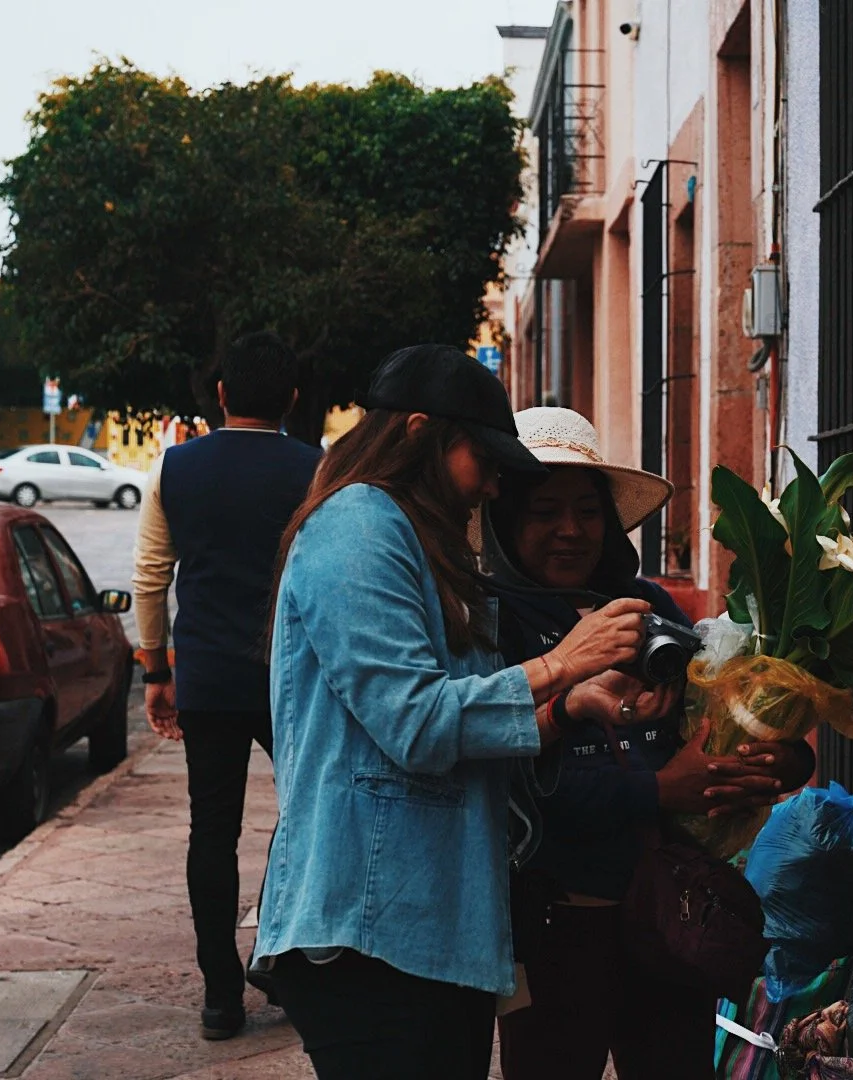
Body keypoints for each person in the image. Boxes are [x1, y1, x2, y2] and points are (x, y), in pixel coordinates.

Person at [256, 348, 651, 1080]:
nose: (496, 482)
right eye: (486, 460)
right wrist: (561, 662)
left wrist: (567, 707)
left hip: (437, 927)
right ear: (417, 434)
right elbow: (417, 722)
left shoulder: (415, 539)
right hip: (371, 932)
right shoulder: (357, 527)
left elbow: (469, 726)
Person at [485, 408, 815, 1080]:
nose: (570, 530)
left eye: (587, 510)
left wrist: (781, 760)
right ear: (507, 521)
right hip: (553, 925)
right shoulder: (491, 627)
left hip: (671, 919)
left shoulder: (650, 608)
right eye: (545, 511)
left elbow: (714, 726)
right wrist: (661, 788)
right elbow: (510, 782)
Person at [130, 330, 321, 1040]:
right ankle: (277, 955)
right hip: (292, 676)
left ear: (220, 394)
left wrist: (157, 670)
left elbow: (150, 576)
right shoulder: (318, 469)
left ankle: (218, 997)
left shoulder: (175, 468)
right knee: (306, 815)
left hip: (206, 674)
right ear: (293, 399)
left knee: (211, 830)